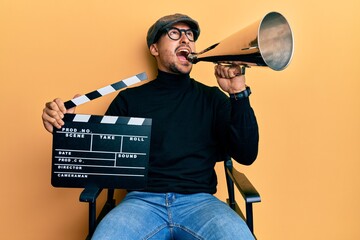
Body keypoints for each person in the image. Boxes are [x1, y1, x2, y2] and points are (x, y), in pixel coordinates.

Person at [42, 13, 259, 240]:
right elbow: (97, 164)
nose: (185, 40)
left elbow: (246, 154)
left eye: (190, 35)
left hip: (200, 203)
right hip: (140, 203)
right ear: (154, 49)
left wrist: (238, 95)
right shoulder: (129, 100)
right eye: (174, 33)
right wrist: (65, 127)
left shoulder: (213, 98)